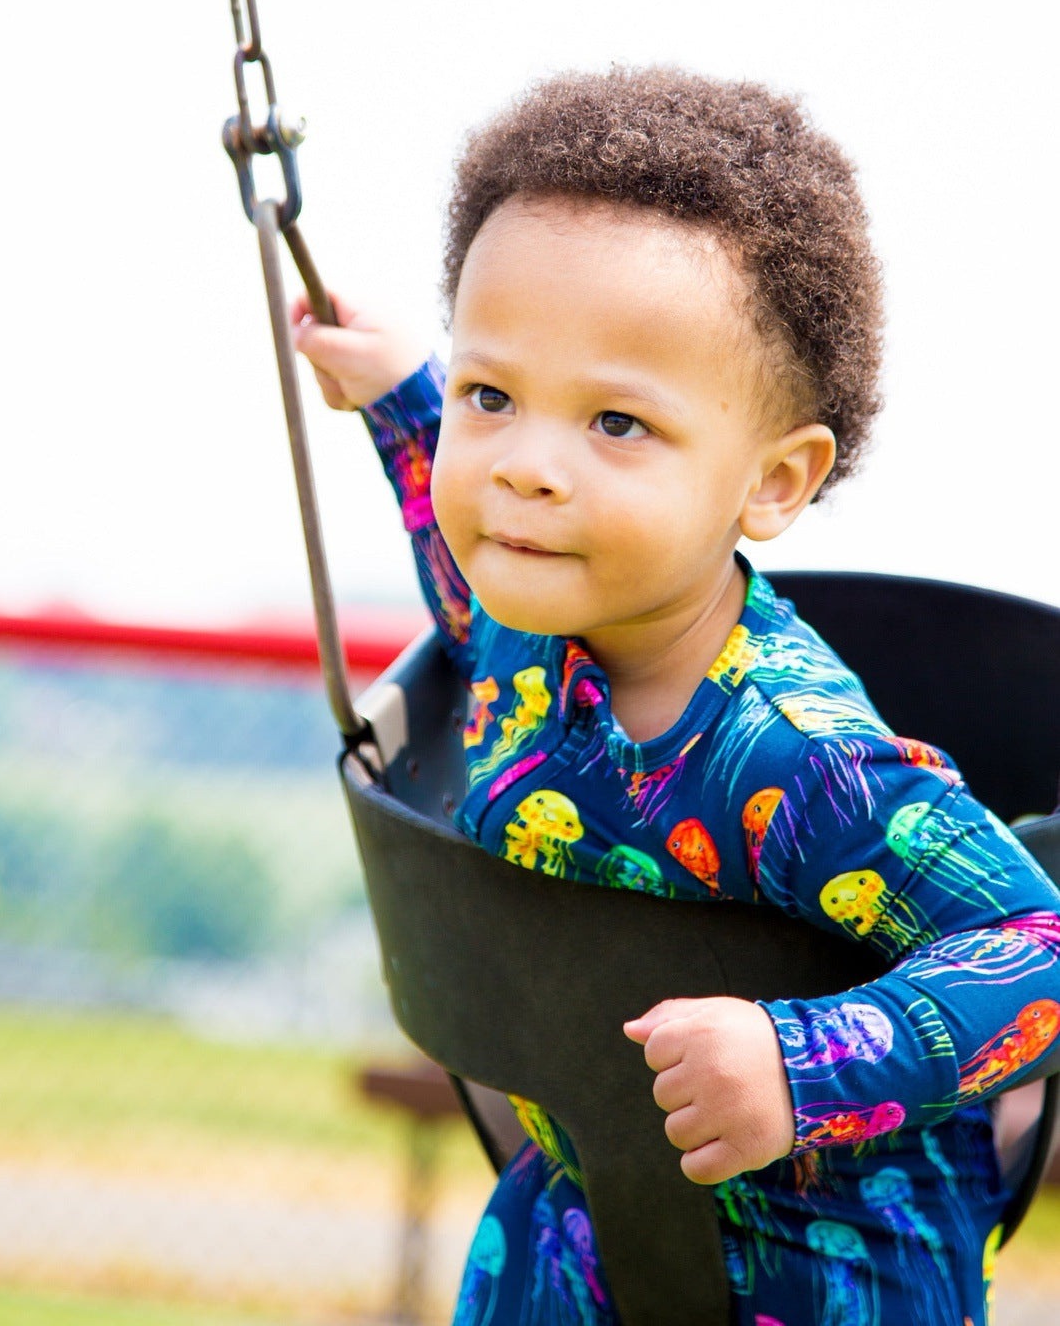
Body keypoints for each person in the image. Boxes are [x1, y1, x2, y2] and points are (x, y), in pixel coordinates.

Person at [293, 66, 1060, 1326]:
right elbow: (460, 542)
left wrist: (794, 1061)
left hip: (821, 1276)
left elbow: (1035, 956)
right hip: (575, 1237)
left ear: (770, 482)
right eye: (495, 393)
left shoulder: (796, 754)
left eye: (615, 422)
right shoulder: (530, 630)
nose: (529, 466)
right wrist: (397, 392)